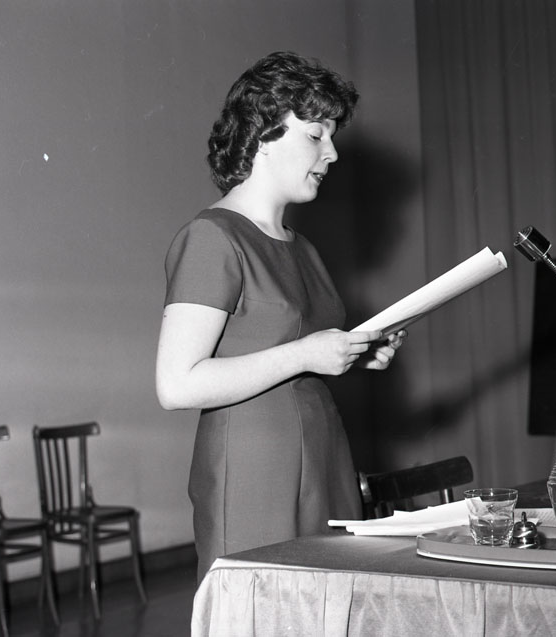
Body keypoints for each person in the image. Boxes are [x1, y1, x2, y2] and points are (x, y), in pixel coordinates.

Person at [156, 51, 406, 581]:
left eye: (331, 136)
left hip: (324, 456)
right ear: (264, 133)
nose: (331, 152)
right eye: (316, 135)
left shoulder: (302, 247)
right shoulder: (212, 237)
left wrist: (353, 355)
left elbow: (289, 355)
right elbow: (176, 385)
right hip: (255, 472)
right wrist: (305, 354)